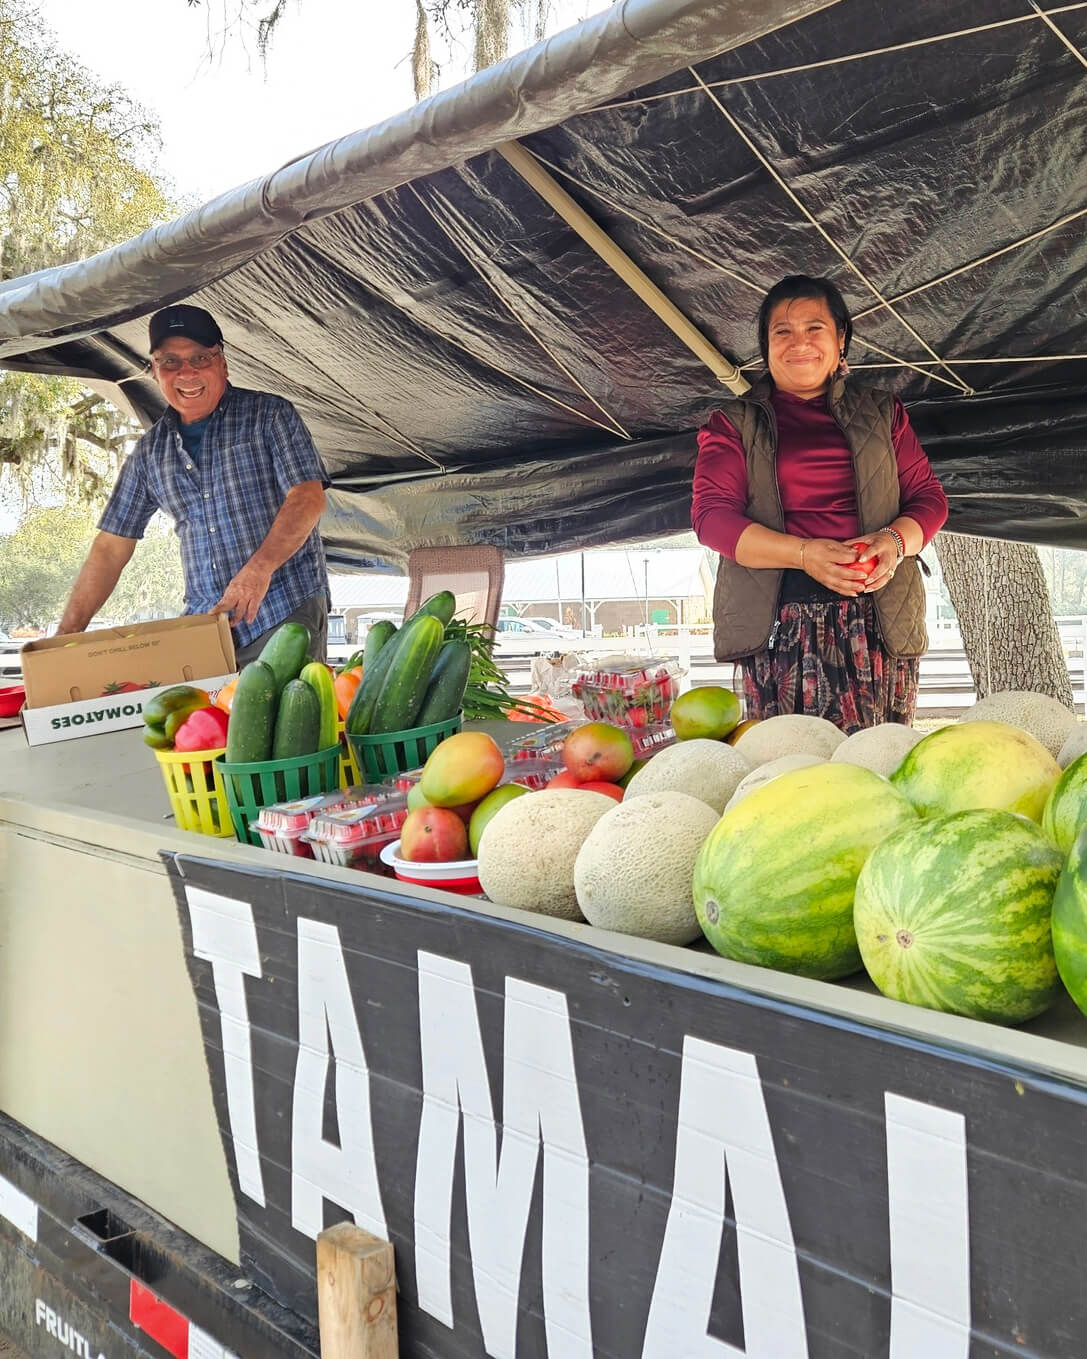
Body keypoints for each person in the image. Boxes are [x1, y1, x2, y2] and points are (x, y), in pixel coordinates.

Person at [691, 274, 948, 734]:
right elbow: (712, 519)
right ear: (766, 346)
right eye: (782, 331)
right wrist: (805, 554)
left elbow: (928, 499)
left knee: (879, 762)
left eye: (815, 328)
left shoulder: (883, 412)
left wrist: (894, 541)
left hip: (880, 621)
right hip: (780, 624)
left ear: (841, 338)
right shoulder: (735, 421)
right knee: (793, 770)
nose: (799, 343)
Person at [57, 304, 331, 665]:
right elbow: (111, 546)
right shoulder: (149, 453)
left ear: (222, 363)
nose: (186, 372)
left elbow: (307, 498)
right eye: (170, 361)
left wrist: (258, 569)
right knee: (202, 722)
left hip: (284, 610)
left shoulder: (270, 415)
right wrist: (66, 636)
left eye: (200, 358)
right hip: (207, 629)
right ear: (154, 371)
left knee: (285, 717)